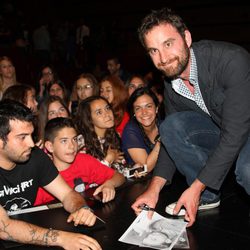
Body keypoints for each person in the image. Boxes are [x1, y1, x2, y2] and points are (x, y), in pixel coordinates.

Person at [132, 7, 250, 227]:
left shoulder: (231, 60)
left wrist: (195, 186)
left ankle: (199, 190)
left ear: (186, 37)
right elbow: (170, 138)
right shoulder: (171, 81)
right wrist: (153, 189)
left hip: (244, 129)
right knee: (170, 126)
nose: (163, 58)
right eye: (153, 51)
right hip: (223, 130)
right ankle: (207, 196)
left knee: (247, 170)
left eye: (168, 44)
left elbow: (235, 134)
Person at [0, 99, 101, 250]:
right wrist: (62, 238)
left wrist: (80, 208)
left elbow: (67, 194)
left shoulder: (35, 157)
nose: (31, 143)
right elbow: (4, 228)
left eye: (31, 135)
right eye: (22, 137)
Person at [34, 117, 125, 206]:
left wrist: (110, 184)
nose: (72, 146)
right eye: (64, 141)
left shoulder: (84, 161)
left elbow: (119, 177)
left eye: (74, 139)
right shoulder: (43, 176)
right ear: (50, 146)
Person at [75, 96, 125, 173]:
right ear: (89, 119)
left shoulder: (114, 135)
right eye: (99, 112)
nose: (107, 114)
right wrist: (108, 160)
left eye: (107, 108)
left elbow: (119, 169)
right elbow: (89, 178)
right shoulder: (81, 143)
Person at [122, 87, 161, 174]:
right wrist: (160, 141)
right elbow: (146, 168)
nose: (144, 112)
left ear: (157, 108)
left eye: (148, 106)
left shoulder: (163, 124)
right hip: (141, 183)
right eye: (138, 108)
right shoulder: (130, 131)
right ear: (134, 113)